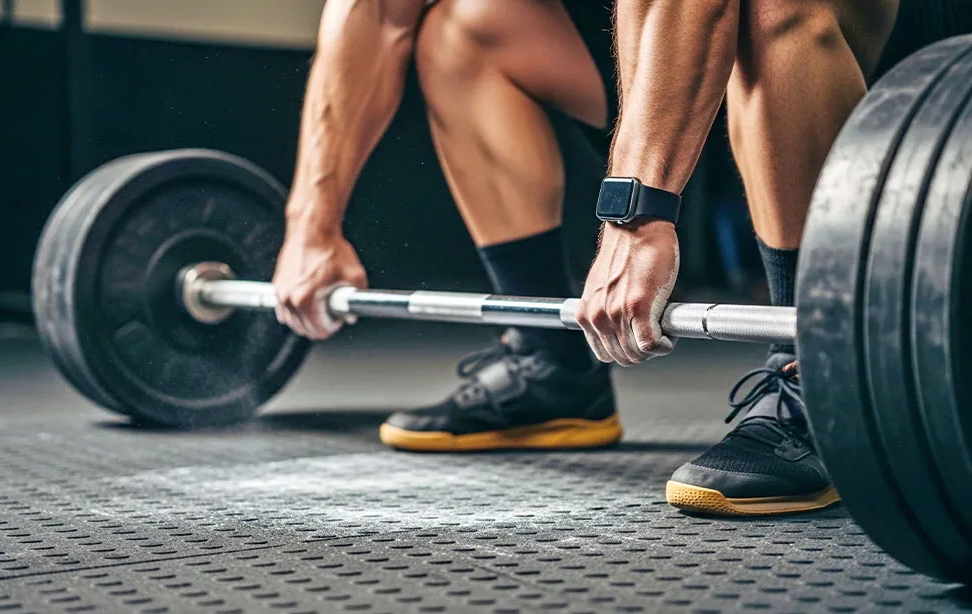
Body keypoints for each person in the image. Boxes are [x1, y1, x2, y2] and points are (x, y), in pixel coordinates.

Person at [271, 0, 903, 517]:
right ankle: (553, 367)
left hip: (885, 42)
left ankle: (823, 373)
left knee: (770, 7)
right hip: (659, 36)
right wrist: (311, 224)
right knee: (464, 27)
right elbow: (375, 14)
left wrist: (636, 215)